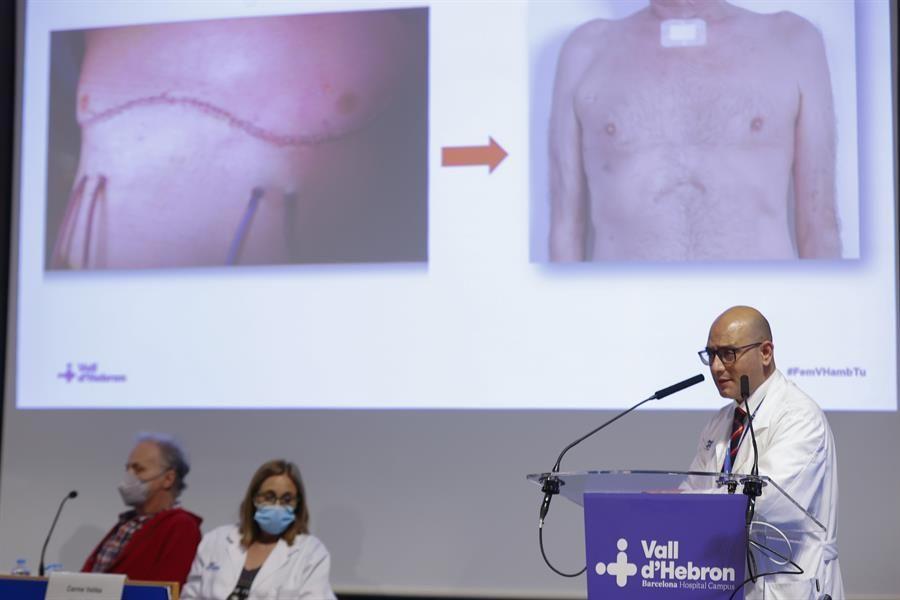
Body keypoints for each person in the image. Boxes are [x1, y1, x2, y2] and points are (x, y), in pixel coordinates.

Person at [548, 0, 841, 261]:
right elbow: (566, 231)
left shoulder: (791, 42)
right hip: (625, 301)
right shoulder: (586, 52)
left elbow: (819, 224)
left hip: (761, 300)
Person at [689, 306, 842, 599]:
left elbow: (768, 501)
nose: (717, 367)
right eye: (711, 355)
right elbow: (694, 489)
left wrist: (691, 503)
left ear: (766, 352)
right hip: (730, 582)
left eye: (728, 354)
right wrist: (667, 505)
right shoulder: (720, 422)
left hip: (789, 585)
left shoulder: (799, 416)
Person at [182, 459, 335, 600]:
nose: (277, 506)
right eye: (269, 497)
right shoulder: (215, 540)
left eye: (287, 499)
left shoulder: (311, 552)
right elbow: (190, 596)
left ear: (298, 504)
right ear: (254, 498)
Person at [82, 433, 202, 585]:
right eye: (128, 469)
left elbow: (167, 589)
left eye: (138, 469)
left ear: (168, 479)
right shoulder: (128, 523)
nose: (129, 477)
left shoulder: (181, 526)